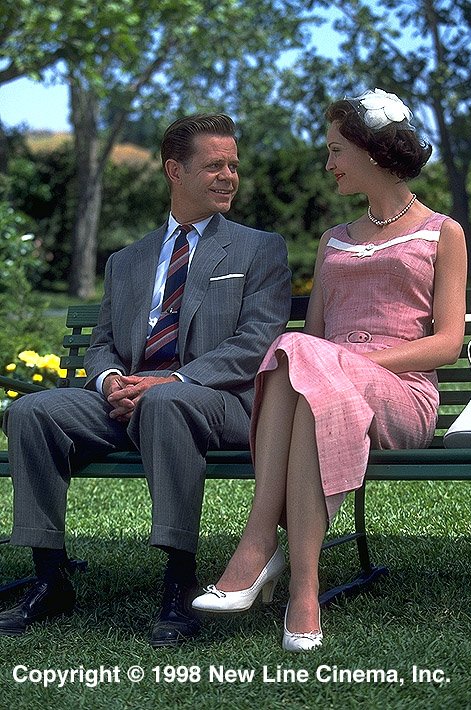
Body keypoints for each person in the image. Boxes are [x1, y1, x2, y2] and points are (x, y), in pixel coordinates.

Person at [0, 113, 292, 645]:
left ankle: (179, 581)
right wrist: (111, 380)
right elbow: (103, 343)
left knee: (166, 403)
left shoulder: (259, 248)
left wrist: (173, 381)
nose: (229, 176)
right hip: (131, 398)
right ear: (174, 171)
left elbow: (256, 343)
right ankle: (50, 577)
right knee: (31, 411)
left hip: (220, 401)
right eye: (215, 166)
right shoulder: (127, 261)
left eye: (233, 166)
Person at [192, 89, 467, 651]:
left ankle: (258, 545)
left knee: (301, 356)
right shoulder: (333, 240)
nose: (328, 163)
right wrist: (333, 363)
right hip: (323, 384)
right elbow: (314, 336)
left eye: (337, 150)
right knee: (300, 357)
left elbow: (445, 344)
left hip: (401, 394)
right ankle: (304, 590)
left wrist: (353, 360)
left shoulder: (443, 232)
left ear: (373, 150)